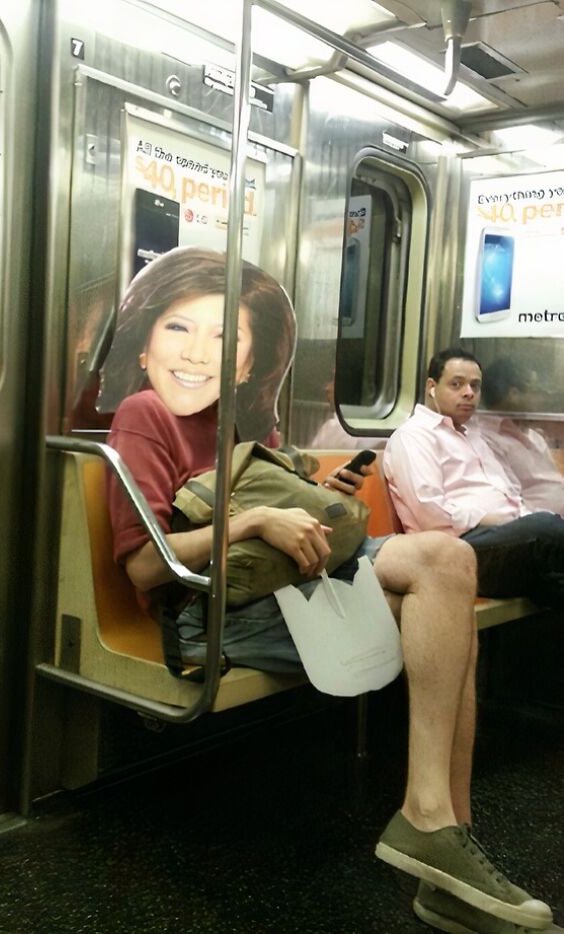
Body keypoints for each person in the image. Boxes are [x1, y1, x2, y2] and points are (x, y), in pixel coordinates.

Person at [105, 252, 552, 931]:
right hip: (213, 607)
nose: (198, 354)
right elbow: (144, 567)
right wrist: (255, 518)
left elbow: (280, 519)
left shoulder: (243, 425)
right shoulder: (145, 416)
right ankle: (441, 840)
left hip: (288, 580)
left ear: (250, 362)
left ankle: (436, 825)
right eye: (178, 329)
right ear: (145, 343)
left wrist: (312, 502)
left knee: (450, 563)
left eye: (226, 338)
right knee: (444, 610)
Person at [384, 346, 564, 609]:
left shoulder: (473, 436)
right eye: (457, 384)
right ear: (432, 387)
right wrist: (494, 518)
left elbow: (509, 491)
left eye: (475, 386)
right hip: (455, 548)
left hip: (503, 541)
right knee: (545, 528)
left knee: (554, 585)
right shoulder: (415, 436)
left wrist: (517, 516)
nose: (469, 392)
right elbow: (430, 513)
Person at [477, 358, 564, 517]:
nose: (541, 397)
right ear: (514, 394)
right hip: (543, 529)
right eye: (535, 390)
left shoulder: (534, 435)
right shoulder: (487, 439)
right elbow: (509, 500)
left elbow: (554, 483)